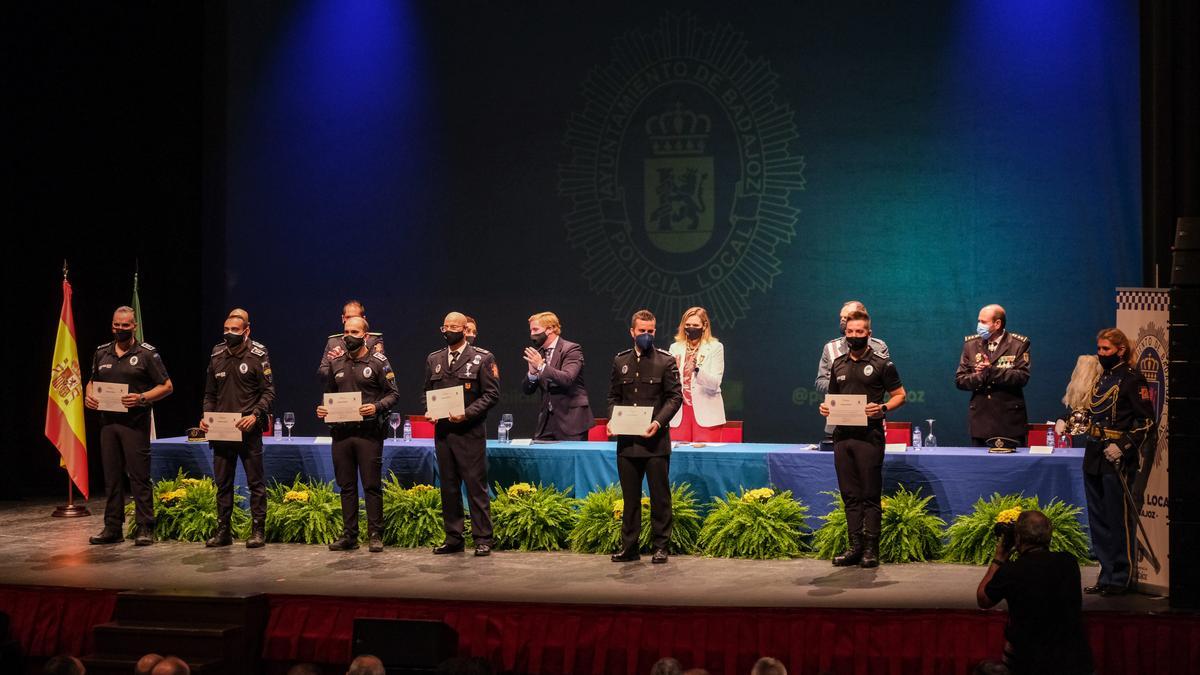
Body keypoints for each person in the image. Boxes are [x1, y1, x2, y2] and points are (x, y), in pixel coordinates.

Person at [1055, 328, 1154, 596]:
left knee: (1116, 519)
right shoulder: (1100, 378)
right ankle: (1105, 572)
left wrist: (1123, 446)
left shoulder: (1133, 380)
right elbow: (1088, 413)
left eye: (1106, 349)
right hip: (1095, 454)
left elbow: (1146, 422)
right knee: (1098, 519)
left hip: (1116, 457)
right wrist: (1066, 420)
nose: (1101, 354)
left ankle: (1120, 576)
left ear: (1120, 350)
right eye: (1099, 349)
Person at [819, 310, 905, 568]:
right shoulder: (838, 364)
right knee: (849, 495)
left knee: (869, 494)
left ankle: (871, 549)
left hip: (870, 436)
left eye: (859, 332)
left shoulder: (882, 364)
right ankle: (854, 547)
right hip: (842, 437)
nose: (854, 336)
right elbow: (833, 398)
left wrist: (883, 408)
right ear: (845, 334)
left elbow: (900, 394)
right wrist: (825, 409)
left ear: (869, 333)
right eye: (850, 332)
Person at [84, 306, 174, 546]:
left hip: (135, 425)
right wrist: (89, 395)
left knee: (139, 477)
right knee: (112, 478)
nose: (120, 329)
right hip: (108, 424)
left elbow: (166, 386)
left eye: (125, 325)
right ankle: (112, 527)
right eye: (116, 325)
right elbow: (92, 381)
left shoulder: (146, 354)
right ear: (112, 325)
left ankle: (145, 527)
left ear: (134, 326)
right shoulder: (101, 352)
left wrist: (142, 398)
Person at [976, 510, 1094, 674]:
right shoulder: (1069, 563)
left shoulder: (1012, 571)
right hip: (1076, 665)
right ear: (1049, 536)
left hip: (1031, 665)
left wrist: (999, 559)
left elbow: (983, 599)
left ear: (1018, 538)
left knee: (985, 669)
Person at [317, 316, 399, 553]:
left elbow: (393, 394)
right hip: (341, 434)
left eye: (354, 332)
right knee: (347, 486)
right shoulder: (336, 364)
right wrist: (323, 408)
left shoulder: (379, 362)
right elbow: (329, 395)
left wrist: (376, 407)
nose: (348, 336)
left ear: (365, 335)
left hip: (368, 434)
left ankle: (375, 534)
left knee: (371, 485)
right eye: (345, 332)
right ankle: (349, 535)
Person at [607, 310, 683, 564]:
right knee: (630, 498)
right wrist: (611, 420)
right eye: (642, 331)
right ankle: (629, 547)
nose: (647, 336)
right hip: (628, 443)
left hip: (655, 442)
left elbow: (675, 398)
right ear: (632, 332)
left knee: (660, 497)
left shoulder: (665, 361)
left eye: (651, 331)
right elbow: (613, 398)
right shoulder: (620, 361)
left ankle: (661, 546)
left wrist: (658, 422)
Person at [424, 312, 500, 556]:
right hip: (444, 433)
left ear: (465, 329)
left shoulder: (482, 358)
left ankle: (483, 538)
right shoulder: (434, 359)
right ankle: (454, 537)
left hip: (470, 432)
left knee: (475, 487)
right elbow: (428, 392)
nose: (448, 330)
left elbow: (491, 395)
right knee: (448, 487)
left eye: (453, 326)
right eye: (445, 326)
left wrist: (466, 414)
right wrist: (430, 411)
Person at [199, 311, 275, 548]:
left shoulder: (257, 355)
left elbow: (269, 392)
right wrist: (206, 417)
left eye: (235, 329)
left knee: (256, 483)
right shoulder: (217, 354)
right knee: (223, 483)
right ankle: (223, 531)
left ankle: (258, 531)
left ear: (246, 331)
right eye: (226, 329)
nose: (229, 333)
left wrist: (255, 415)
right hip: (222, 431)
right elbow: (210, 394)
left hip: (248, 429)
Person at [955, 304, 1031, 450]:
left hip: (1009, 421)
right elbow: (960, 380)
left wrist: (991, 370)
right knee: (981, 469)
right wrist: (979, 376)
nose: (978, 325)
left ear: (997, 324)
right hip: (981, 421)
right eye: (978, 321)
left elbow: (1022, 377)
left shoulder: (1018, 344)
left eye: (983, 322)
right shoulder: (971, 345)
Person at [521, 311, 592, 441]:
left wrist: (542, 367)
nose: (532, 334)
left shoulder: (571, 349)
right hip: (546, 422)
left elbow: (567, 378)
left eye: (536, 329)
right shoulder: (539, 353)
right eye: (530, 330)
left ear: (550, 329)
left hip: (571, 420)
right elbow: (527, 390)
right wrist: (532, 374)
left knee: (570, 460)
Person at [667, 307, 725, 443]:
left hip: (706, 412)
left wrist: (697, 370)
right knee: (678, 458)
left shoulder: (716, 347)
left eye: (695, 325)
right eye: (687, 325)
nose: (691, 328)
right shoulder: (674, 348)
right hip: (679, 413)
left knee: (705, 458)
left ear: (704, 326)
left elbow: (715, 383)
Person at [815, 300, 890, 396]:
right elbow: (820, 382)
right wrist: (842, 384)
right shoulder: (830, 347)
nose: (842, 320)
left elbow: (887, 382)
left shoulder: (879, 347)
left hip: (869, 407)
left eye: (846, 317)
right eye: (841, 317)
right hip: (839, 406)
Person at [318, 300, 385, 381]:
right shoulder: (333, 342)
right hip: (341, 391)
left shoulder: (373, 340)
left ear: (363, 319)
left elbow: (378, 369)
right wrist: (335, 364)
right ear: (343, 318)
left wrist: (342, 362)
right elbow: (322, 373)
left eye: (355, 317)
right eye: (348, 317)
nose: (351, 321)